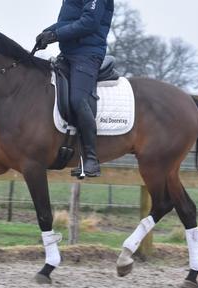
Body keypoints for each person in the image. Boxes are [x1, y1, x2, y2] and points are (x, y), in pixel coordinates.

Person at [36, 0, 114, 177]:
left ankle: (91, 160)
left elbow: (89, 23)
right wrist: (47, 32)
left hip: (87, 54)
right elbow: (68, 21)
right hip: (68, 54)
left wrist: (55, 35)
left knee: (78, 100)